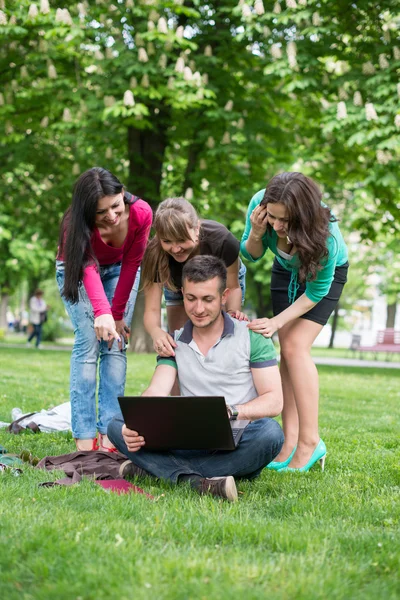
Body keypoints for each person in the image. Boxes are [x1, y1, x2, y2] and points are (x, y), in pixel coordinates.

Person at [108, 255, 284, 501]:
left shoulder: (252, 336)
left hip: (237, 436)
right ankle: (197, 481)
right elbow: (157, 390)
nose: (198, 309)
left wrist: (232, 411)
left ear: (224, 297)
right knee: (116, 424)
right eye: (191, 298)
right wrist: (137, 422)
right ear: (182, 292)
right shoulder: (174, 341)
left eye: (208, 299)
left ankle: (160, 470)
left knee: (271, 434)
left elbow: (274, 402)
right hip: (185, 437)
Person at [240, 172, 349, 472]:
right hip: (284, 270)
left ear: (303, 216)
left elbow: (316, 292)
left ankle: (310, 442)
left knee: (295, 347)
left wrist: (275, 322)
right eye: (272, 216)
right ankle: (289, 442)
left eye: (285, 220)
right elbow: (250, 255)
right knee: (286, 351)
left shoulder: (327, 237)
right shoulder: (260, 205)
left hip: (321, 280)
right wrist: (257, 232)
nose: (277, 225)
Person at [56, 167, 152, 452]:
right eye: (101, 212)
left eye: (115, 205)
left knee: (116, 344)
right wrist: (102, 312)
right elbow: (86, 268)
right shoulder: (74, 222)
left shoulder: (142, 213)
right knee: (88, 343)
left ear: (122, 194)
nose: (111, 216)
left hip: (120, 270)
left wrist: (118, 315)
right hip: (77, 270)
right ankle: (85, 440)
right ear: (88, 212)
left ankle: (110, 436)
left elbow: (133, 264)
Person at [141, 197, 247, 357]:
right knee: (179, 345)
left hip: (221, 284)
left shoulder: (222, 241)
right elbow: (152, 309)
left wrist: (232, 314)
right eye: (167, 241)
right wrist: (156, 332)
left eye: (181, 240)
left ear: (196, 228)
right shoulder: (155, 254)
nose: (175, 249)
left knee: (220, 340)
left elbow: (232, 287)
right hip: (176, 284)